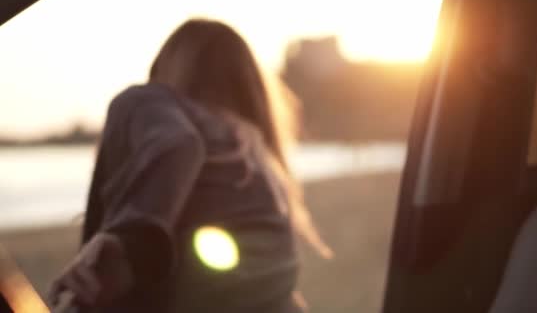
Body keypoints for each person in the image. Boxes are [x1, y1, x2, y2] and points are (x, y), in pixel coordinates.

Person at [48, 19, 331, 313]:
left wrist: (129, 240)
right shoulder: (261, 160)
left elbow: (177, 141)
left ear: (164, 69)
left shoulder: (148, 101)